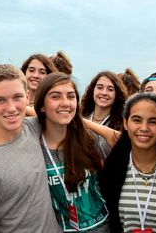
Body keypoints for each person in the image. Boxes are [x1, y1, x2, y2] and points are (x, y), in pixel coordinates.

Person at [0, 64, 61, 233]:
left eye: (17, 97)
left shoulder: (32, 127)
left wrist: (107, 133)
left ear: (27, 97)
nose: (11, 108)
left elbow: (65, 116)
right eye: (0, 100)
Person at [34, 72, 111, 232]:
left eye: (71, 96)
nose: (65, 103)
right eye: (55, 97)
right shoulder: (34, 148)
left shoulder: (90, 140)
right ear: (42, 105)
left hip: (105, 226)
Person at [100, 93, 156, 233]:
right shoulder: (114, 168)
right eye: (137, 120)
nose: (144, 128)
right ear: (125, 123)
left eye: (153, 121)